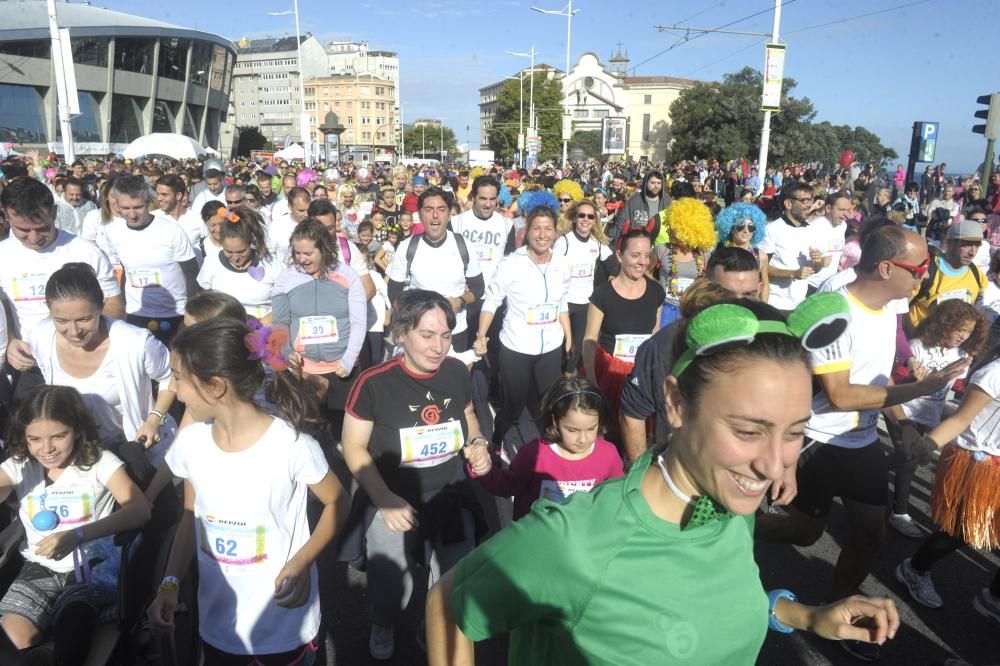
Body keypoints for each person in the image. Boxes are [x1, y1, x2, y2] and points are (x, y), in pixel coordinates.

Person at [426, 296, 901, 665]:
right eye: (748, 430)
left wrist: (808, 617)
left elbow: (710, 604)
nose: (774, 466)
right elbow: (449, 606)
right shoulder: (575, 543)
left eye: (795, 432)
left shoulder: (726, 507)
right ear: (674, 403)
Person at [757, 226, 970, 662]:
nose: (925, 277)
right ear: (886, 266)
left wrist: (903, 426)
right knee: (804, 531)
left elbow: (878, 378)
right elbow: (841, 394)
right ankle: (736, 530)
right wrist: (922, 388)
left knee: (871, 535)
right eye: (919, 268)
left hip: (860, 443)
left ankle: (840, 613)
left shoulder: (890, 307)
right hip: (817, 440)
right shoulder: (835, 310)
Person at [147, 318, 349, 664]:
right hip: (218, 625)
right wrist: (170, 581)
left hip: (284, 624)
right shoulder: (191, 444)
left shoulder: (291, 445)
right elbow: (189, 516)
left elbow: (338, 501)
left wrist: (302, 561)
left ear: (216, 386)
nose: (176, 392)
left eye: (180, 380)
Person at [341, 290, 486, 660]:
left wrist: (478, 442)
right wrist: (385, 500)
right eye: (427, 335)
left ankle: (433, 627)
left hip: (449, 493)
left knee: (455, 579)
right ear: (402, 333)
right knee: (392, 585)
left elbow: (467, 416)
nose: (439, 347)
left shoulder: (455, 371)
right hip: (393, 498)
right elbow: (353, 447)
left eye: (446, 336)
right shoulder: (373, 383)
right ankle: (383, 621)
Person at [0, 386, 151, 659]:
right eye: (34, 439)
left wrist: (76, 535)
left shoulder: (100, 463)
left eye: (59, 436)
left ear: (78, 430)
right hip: (39, 566)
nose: (46, 449)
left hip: (90, 568)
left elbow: (140, 510)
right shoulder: (21, 465)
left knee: (73, 626)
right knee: (14, 638)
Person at [619, 246, 762, 464]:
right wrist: (641, 476)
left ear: (760, 289)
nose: (738, 304)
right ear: (706, 285)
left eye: (749, 295)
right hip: (680, 474)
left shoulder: (768, 340)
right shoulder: (664, 345)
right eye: (728, 294)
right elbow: (632, 414)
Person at [893, 343, 1000, 621]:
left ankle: (994, 597)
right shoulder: (994, 373)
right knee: (962, 530)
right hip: (980, 462)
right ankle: (914, 569)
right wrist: (928, 444)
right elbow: (960, 419)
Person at [30, 263, 177, 462]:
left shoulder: (135, 342)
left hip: (137, 451)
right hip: (80, 454)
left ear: (101, 307)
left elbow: (171, 377)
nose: (74, 332)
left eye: (84, 319)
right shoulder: (41, 337)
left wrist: (154, 420)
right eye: (62, 321)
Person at [0, 177, 123, 389]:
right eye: (23, 230)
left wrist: (79, 341)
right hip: (30, 368)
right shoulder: (3, 255)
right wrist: (10, 341)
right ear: (6, 217)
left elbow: (115, 307)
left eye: (42, 228)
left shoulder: (86, 252)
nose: (34, 237)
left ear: (55, 213)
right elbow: (4, 309)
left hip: (84, 364)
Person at [883, 300, 986, 538]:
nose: (963, 335)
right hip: (903, 410)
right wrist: (914, 378)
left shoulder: (961, 356)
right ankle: (899, 513)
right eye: (958, 328)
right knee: (908, 460)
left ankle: (868, 470)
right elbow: (892, 384)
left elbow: (955, 389)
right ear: (943, 324)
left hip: (928, 415)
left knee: (905, 456)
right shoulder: (917, 347)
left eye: (968, 331)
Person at [474, 205, 572, 455]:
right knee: (514, 405)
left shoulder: (561, 264)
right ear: (527, 232)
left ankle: (544, 453)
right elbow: (492, 300)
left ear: (555, 233)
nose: (542, 234)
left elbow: (562, 303)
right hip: (517, 346)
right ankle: (497, 440)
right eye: (536, 228)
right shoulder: (512, 264)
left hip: (550, 346)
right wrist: (482, 335)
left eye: (548, 229)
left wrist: (569, 338)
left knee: (551, 403)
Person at [464, 377, 623, 520]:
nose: (583, 439)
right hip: (536, 537)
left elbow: (617, 493)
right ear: (555, 421)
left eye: (591, 429)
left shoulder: (608, 454)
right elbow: (508, 485)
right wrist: (484, 471)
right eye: (572, 430)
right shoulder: (533, 454)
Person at [272, 220, 367, 434]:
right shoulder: (285, 279)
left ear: (323, 248)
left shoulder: (348, 275)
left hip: (341, 369)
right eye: (297, 253)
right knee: (308, 431)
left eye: (308, 253)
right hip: (304, 371)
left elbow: (359, 322)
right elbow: (280, 322)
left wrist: (349, 359)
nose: (301, 259)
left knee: (343, 433)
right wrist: (287, 352)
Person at [583, 229, 664, 438]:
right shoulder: (602, 295)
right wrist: (592, 380)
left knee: (639, 437)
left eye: (647, 255)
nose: (642, 262)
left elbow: (655, 335)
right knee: (608, 434)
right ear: (619, 255)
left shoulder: (656, 291)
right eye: (635, 255)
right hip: (610, 373)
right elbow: (590, 340)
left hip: (642, 374)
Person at [102, 176, 200, 345]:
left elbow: (191, 274)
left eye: (138, 207)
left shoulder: (172, 231)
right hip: (136, 314)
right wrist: (124, 307)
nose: (132, 214)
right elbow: (126, 271)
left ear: (148, 202)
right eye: (125, 208)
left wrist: (190, 317)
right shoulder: (113, 233)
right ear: (116, 205)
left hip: (174, 315)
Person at [387, 188, 485, 353]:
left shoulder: (464, 245)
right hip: (419, 335)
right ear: (419, 214)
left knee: (452, 378)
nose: (435, 216)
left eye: (441, 209)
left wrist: (460, 301)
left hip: (455, 331)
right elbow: (393, 292)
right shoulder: (406, 248)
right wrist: (410, 321)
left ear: (449, 214)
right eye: (428, 209)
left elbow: (478, 288)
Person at [552, 198, 615, 365]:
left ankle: (571, 383)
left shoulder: (597, 244)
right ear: (574, 218)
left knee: (577, 350)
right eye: (582, 215)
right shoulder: (563, 242)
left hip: (585, 304)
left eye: (590, 216)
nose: (586, 219)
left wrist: (612, 279)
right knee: (561, 347)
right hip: (563, 303)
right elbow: (553, 273)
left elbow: (613, 264)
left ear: (595, 220)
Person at [196, 207, 280, 324]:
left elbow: (287, 298)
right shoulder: (211, 262)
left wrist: (272, 315)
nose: (235, 257)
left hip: (264, 327)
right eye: (229, 252)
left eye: (241, 251)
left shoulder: (271, 262)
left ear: (251, 242)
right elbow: (203, 299)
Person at [908, 219, 989, 331]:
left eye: (977, 245)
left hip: (955, 343)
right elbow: (900, 308)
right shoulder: (928, 271)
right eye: (967, 245)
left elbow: (980, 304)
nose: (973, 252)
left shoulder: (976, 273)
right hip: (921, 340)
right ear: (949, 243)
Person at [760, 181, 828, 311]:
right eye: (804, 201)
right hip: (775, 304)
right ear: (788, 204)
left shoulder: (810, 230)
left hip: (800, 304)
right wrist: (792, 274)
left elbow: (814, 269)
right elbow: (761, 268)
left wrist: (818, 262)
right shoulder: (772, 230)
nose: (809, 205)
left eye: (811, 200)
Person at [654, 197, 717, 325]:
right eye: (669, 226)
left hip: (692, 311)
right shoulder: (662, 249)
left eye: (673, 228)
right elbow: (647, 275)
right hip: (664, 310)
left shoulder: (704, 254)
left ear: (686, 230)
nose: (668, 230)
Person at [714, 201, 770, 302]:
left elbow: (765, 285)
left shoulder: (761, 256)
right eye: (740, 225)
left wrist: (763, 309)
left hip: (751, 307)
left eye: (751, 226)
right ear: (731, 228)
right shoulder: (721, 254)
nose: (746, 230)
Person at [609, 170, 669, 246]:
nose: (656, 186)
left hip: (662, 248)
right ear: (646, 183)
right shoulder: (633, 201)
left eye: (659, 183)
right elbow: (621, 224)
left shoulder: (668, 202)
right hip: (637, 246)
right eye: (652, 183)